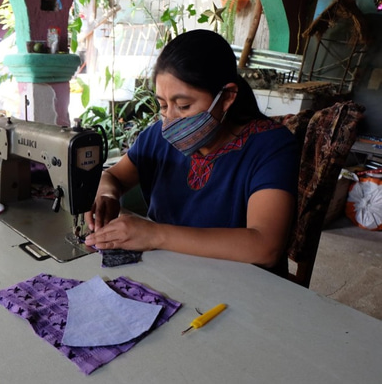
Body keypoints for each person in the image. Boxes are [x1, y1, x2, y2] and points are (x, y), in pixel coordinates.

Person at [84, 30, 300, 276]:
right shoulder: (158, 137)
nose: (170, 119)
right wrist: (107, 195)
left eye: (184, 106)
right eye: (163, 105)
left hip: (242, 287)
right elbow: (113, 177)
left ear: (227, 97)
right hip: (173, 274)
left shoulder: (270, 147)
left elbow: (265, 247)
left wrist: (155, 234)